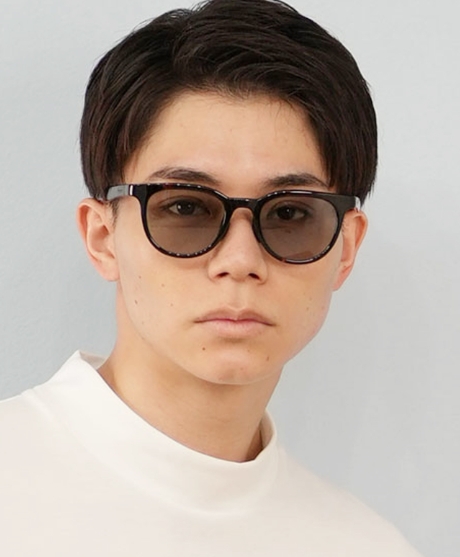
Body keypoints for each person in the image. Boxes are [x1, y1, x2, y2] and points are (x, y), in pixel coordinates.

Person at [0, 0, 423, 555]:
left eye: (290, 213)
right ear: (102, 237)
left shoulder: (368, 546)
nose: (240, 259)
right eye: (185, 208)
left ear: (345, 249)